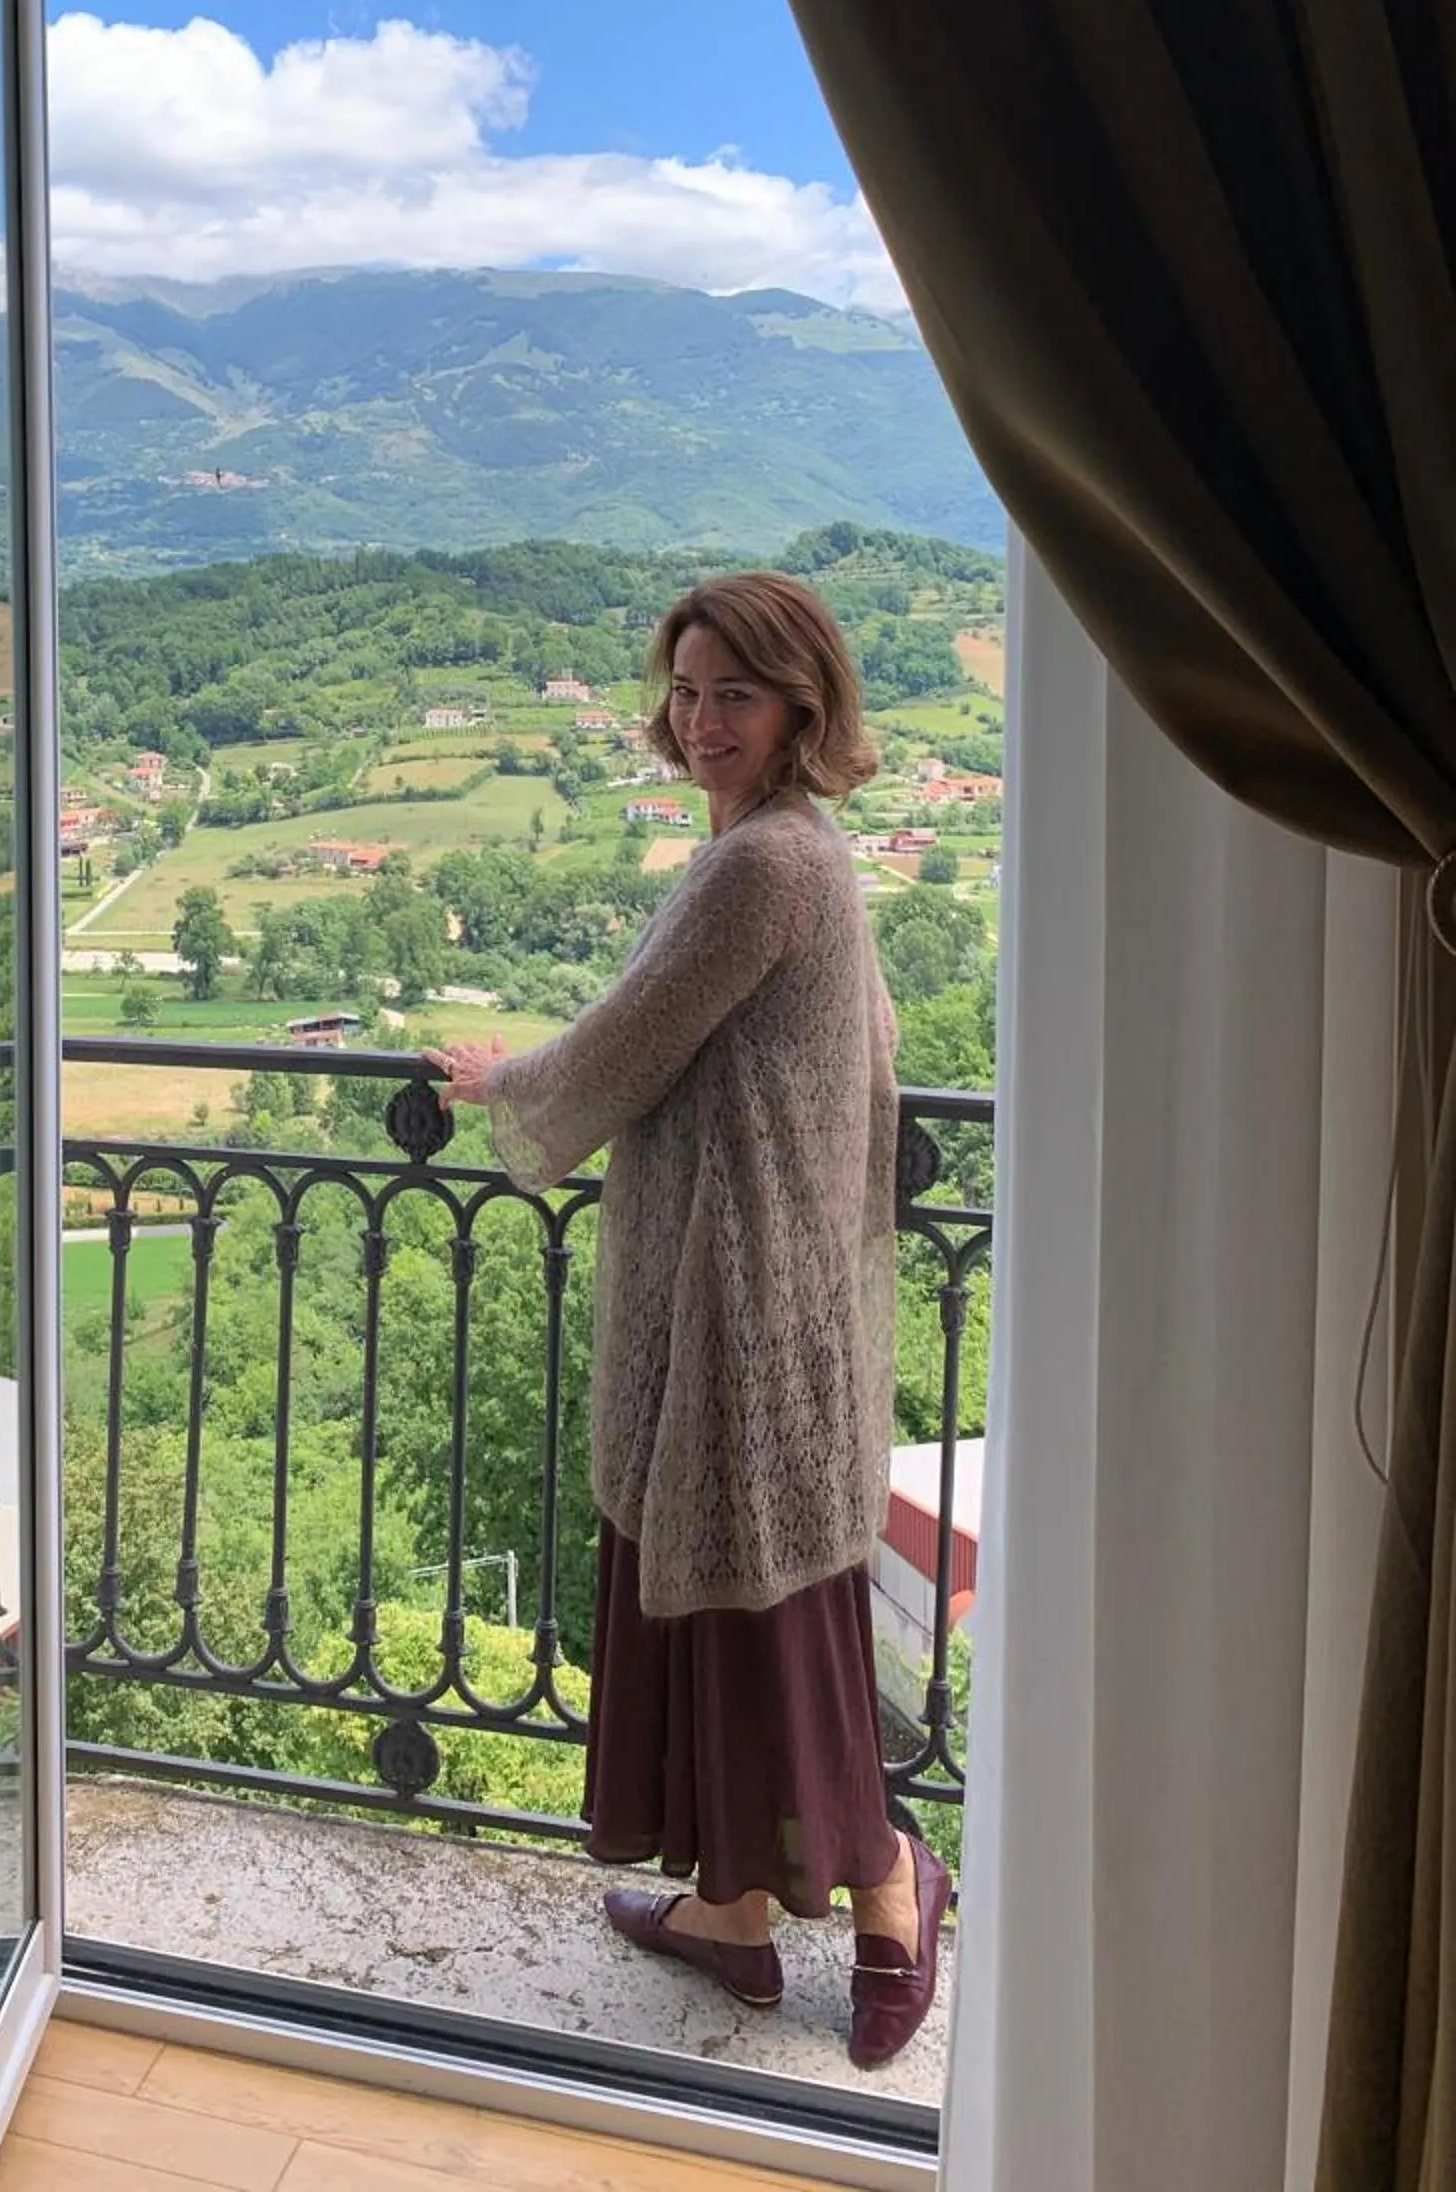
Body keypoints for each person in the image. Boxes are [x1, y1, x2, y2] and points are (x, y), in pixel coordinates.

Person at [424, 571, 948, 2072]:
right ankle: (730, 1914)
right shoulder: (802, 850)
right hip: (767, 1295)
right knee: (743, 1609)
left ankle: (893, 1883)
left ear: (800, 706)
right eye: (686, 690)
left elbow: (623, 1046)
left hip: (741, 1306)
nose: (701, 720)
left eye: (736, 693)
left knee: (762, 1620)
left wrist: (503, 1083)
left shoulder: (761, 864)